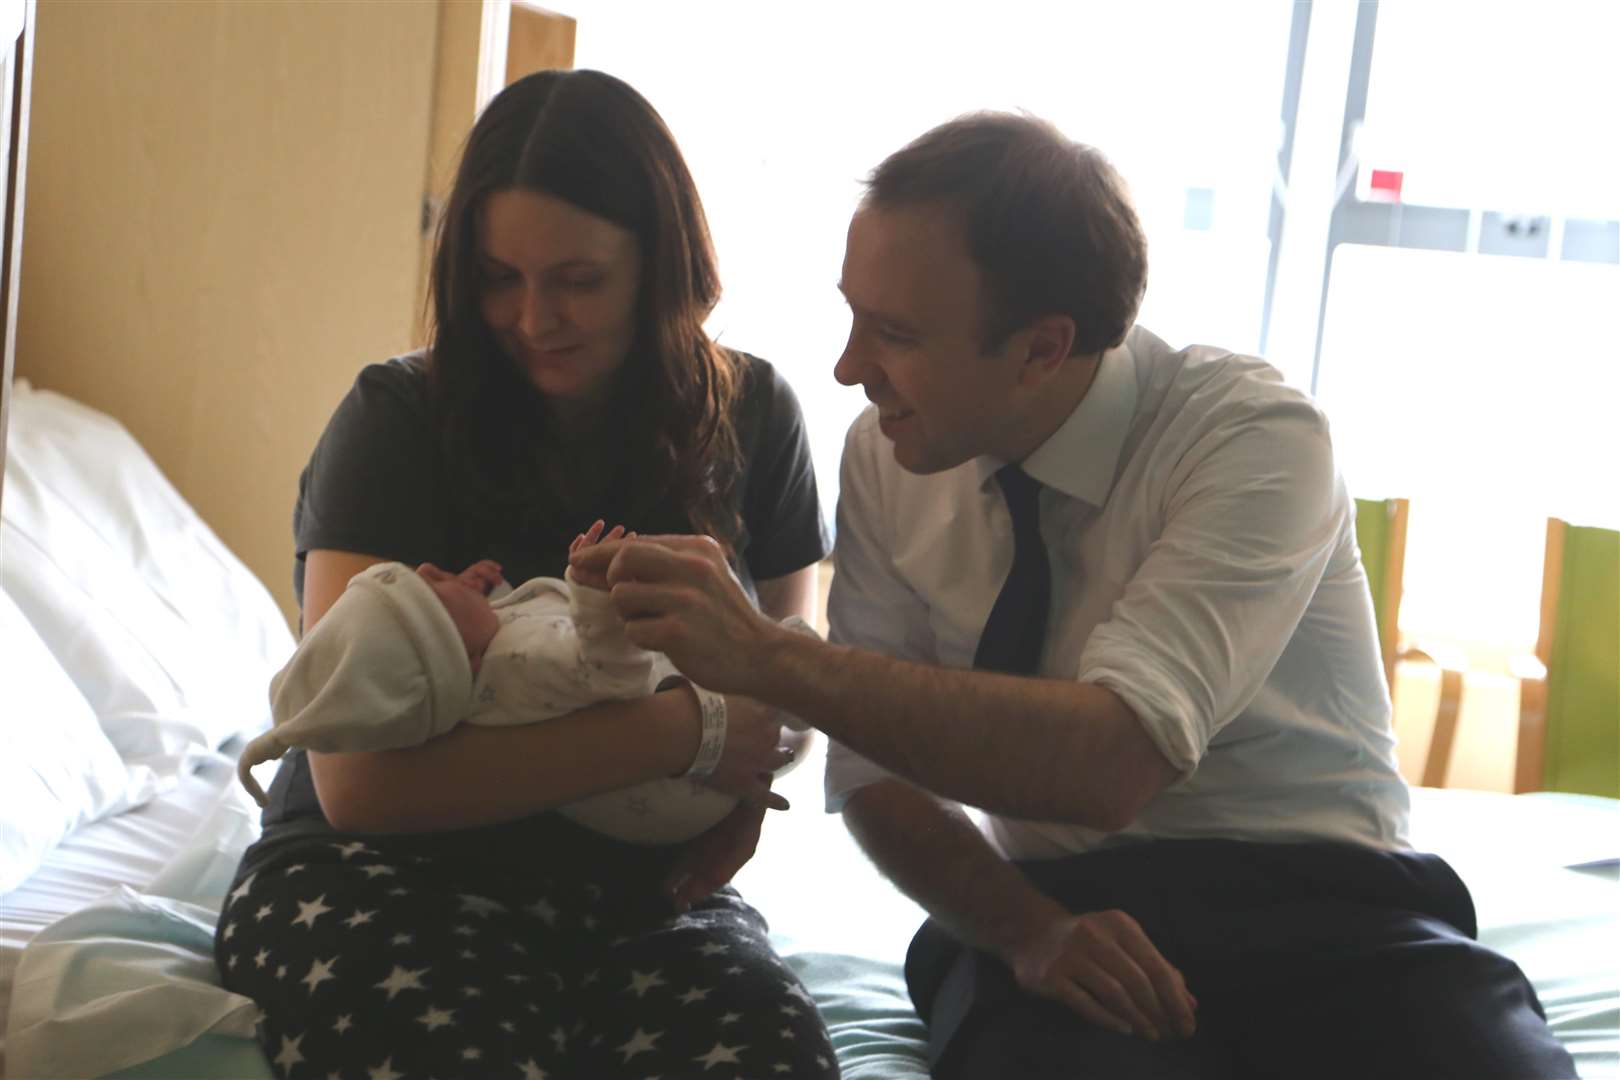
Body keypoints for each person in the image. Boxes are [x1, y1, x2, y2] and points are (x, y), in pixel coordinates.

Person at [570, 112, 1577, 1079]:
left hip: (1332, 905)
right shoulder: (888, 454)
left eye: (895, 333)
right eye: (849, 315)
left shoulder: (1251, 437)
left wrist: (770, 655)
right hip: (1045, 904)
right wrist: (1028, 932)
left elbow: (1114, 758)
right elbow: (874, 779)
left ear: (1043, 349)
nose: (846, 369)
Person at [214, 69, 838, 1079]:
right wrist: (685, 732)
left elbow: (788, 692)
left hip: (646, 896)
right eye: (500, 278)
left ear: (662, 263)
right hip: (380, 878)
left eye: (578, 280)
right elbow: (365, 784)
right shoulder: (395, 422)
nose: (533, 316)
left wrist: (735, 785)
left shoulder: (757, 415)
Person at [237, 531, 817, 844]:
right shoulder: (517, 668)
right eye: (433, 591)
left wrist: (472, 594)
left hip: (699, 792)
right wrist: (590, 593)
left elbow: (519, 625)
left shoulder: (478, 668)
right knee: (777, 668)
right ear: (455, 656)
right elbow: (610, 673)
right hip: (686, 788)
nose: (436, 569)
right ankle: (798, 676)